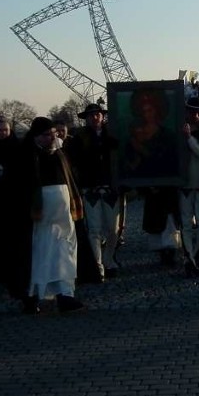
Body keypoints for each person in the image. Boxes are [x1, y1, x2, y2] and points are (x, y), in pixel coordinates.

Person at [21, 117, 85, 314]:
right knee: (42, 253)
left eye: (53, 134)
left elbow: (70, 179)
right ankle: (35, 295)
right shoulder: (27, 155)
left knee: (65, 251)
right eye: (46, 135)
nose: (51, 138)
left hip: (63, 213)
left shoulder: (59, 154)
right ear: (37, 137)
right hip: (41, 216)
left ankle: (65, 294)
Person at [66, 102, 124, 281]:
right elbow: (73, 163)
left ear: (102, 116)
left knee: (114, 230)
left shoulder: (113, 135)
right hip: (89, 188)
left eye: (97, 114)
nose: (94, 117)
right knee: (94, 230)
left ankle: (108, 260)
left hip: (110, 189)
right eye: (91, 115)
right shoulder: (78, 139)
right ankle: (98, 266)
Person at [0, 116, 31, 302]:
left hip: (17, 204)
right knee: (2, 246)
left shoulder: (18, 148)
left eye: (6, 130)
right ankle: (9, 280)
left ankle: (22, 281)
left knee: (20, 246)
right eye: (0, 130)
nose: (3, 133)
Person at [178, 97, 199, 276]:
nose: (195, 115)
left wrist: (190, 138)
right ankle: (189, 257)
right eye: (192, 111)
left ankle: (197, 252)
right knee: (186, 224)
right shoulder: (179, 129)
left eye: (198, 111)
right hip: (184, 186)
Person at [121, 86, 179, 181]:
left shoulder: (168, 135)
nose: (147, 114)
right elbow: (128, 165)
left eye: (150, 110)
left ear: (157, 110)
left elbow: (168, 162)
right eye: (144, 111)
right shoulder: (134, 136)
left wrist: (142, 150)